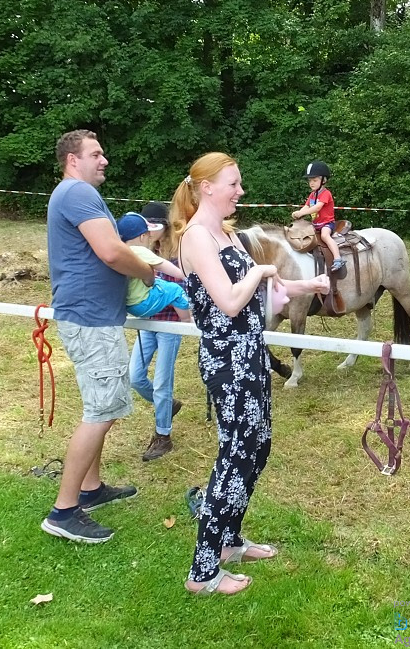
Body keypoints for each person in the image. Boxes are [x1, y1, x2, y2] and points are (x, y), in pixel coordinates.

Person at [172, 152, 330, 596]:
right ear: (206, 187)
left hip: (251, 353)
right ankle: (202, 572)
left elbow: (265, 290)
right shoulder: (196, 238)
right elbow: (228, 300)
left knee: (257, 447)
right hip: (226, 360)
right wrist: (262, 268)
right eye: (233, 184)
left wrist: (306, 286)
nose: (240, 191)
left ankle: (230, 541)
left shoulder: (227, 235)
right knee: (235, 455)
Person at [41, 130, 156, 544]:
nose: (104, 159)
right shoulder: (76, 193)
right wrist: (146, 271)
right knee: (103, 409)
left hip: (91, 315)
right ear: (73, 159)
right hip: (89, 318)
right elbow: (110, 251)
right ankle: (64, 509)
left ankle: (91, 489)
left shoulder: (74, 193)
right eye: (96, 153)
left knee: (99, 402)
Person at [126, 201, 186, 462]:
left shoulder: (178, 253)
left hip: (170, 324)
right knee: (135, 377)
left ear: (165, 225)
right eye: (146, 224)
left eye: (155, 223)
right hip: (147, 321)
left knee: (162, 382)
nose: (150, 229)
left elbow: (184, 283)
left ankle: (163, 436)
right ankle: (168, 405)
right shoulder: (140, 250)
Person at [116, 211, 191, 322]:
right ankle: (186, 319)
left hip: (128, 305)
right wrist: (184, 274)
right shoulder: (139, 250)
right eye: (148, 237)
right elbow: (162, 266)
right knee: (175, 290)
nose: (149, 240)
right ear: (142, 237)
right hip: (143, 303)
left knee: (160, 283)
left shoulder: (120, 252)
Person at [291, 160, 343, 272]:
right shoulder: (312, 195)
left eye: (315, 180)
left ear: (323, 181)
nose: (311, 183)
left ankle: (338, 258)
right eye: (310, 180)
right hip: (315, 223)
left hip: (326, 223)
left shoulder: (326, 194)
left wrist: (303, 213)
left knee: (325, 236)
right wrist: (298, 212)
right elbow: (306, 206)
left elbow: (317, 207)